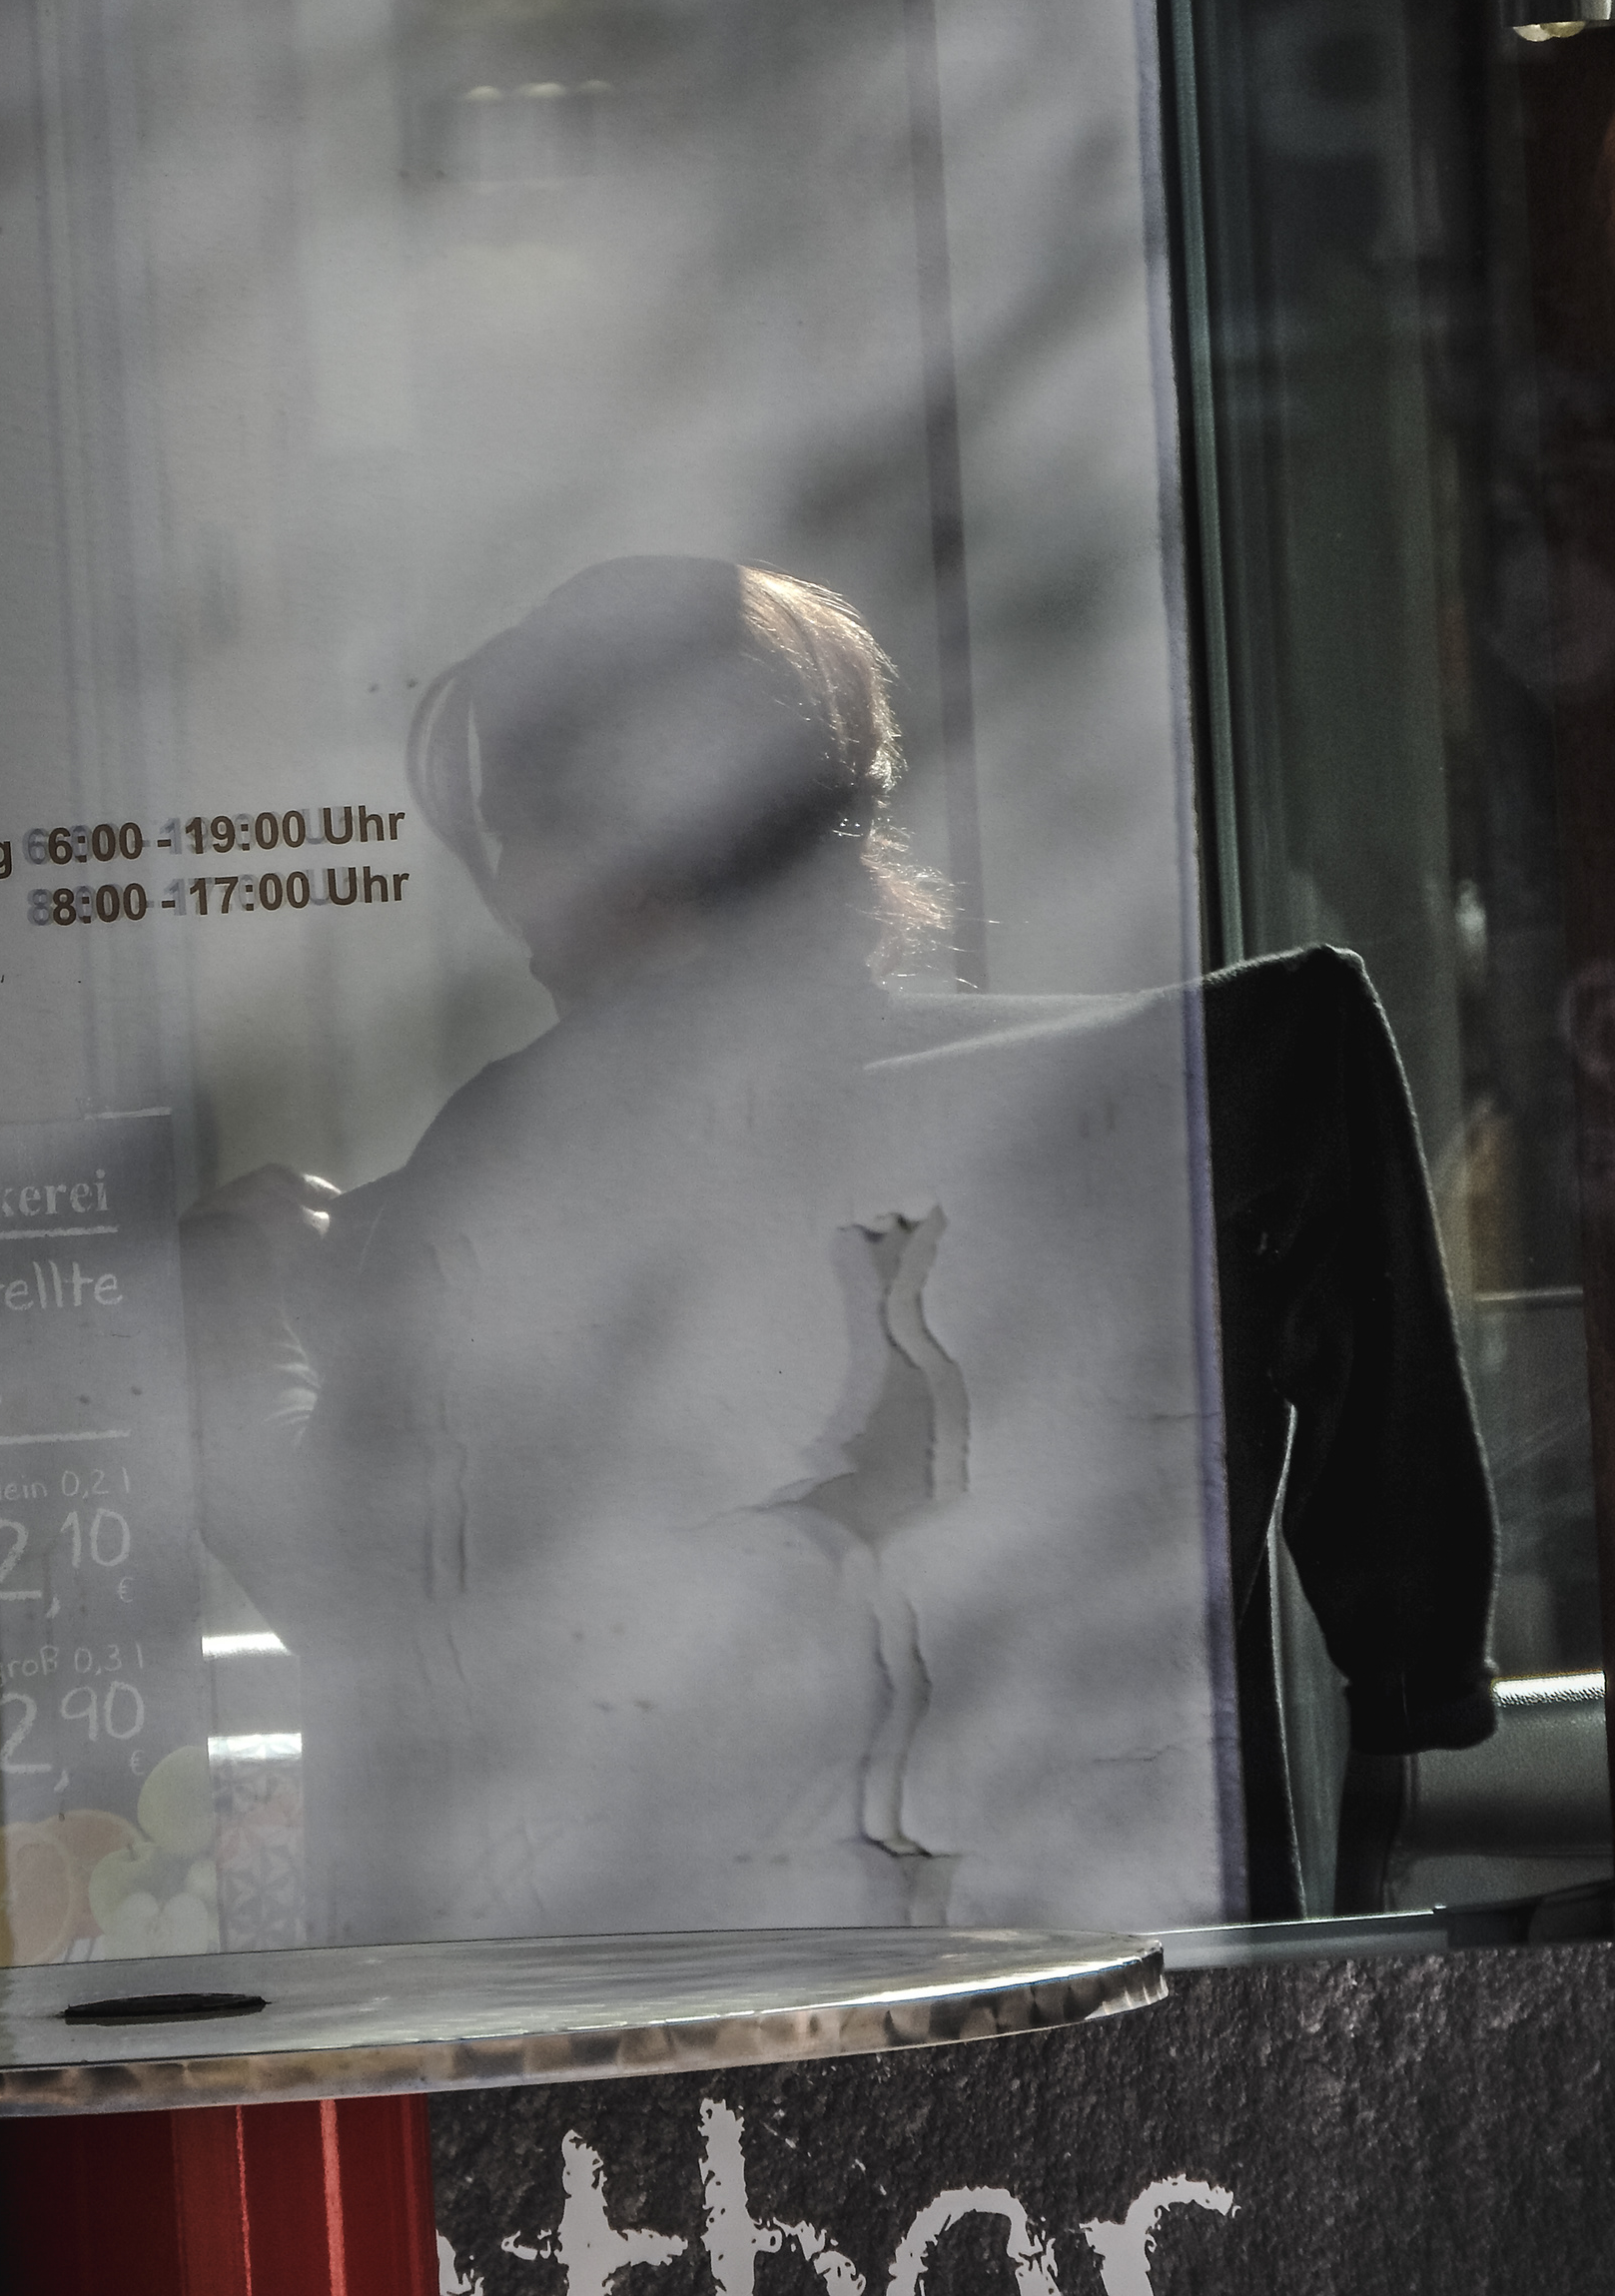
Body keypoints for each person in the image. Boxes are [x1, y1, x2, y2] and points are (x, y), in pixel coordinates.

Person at [186, 554, 1495, 1941]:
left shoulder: (501, 1176)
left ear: (637, 838)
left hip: (688, 2013)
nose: (510, 894)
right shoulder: (1192, 1093)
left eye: (529, 829)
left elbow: (375, 1606)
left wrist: (231, 1334)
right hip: (1135, 1997)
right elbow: (1415, 1705)